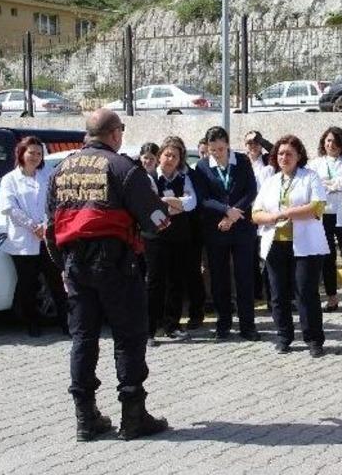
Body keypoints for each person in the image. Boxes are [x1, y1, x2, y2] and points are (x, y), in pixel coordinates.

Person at [46, 108, 170, 441]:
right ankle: (133, 417)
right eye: (122, 130)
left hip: (75, 266)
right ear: (114, 133)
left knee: (83, 339)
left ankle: (86, 420)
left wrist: (63, 267)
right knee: (128, 336)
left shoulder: (61, 170)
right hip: (116, 265)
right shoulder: (122, 167)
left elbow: (50, 226)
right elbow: (157, 219)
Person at [253, 135, 329, 357]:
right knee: (277, 294)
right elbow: (255, 213)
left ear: (298, 156)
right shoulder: (271, 181)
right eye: (280, 154)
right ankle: (284, 336)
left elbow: (317, 207)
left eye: (289, 154)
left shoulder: (310, 177)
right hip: (275, 243)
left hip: (305, 245)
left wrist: (286, 213)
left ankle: (314, 339)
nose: (284, 157)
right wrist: (270, 218)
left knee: (306, 293)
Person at [194, 126, 260, 341]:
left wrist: (233, 214)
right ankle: (224, 324)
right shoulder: (202, 167)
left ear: (228, 144)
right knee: (219, 278)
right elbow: (203, 198)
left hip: (241, 227)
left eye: (221, 149)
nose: (217, 153)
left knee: (244, 277)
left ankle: (247, 325)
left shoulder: (242, 161)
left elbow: (251, 191)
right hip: (216, 229)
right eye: (213, 150)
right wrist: (225, 211)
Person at [0, 136, 69, 338]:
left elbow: (56, 202)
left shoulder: (48, 175)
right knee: (27, 283)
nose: (35, 157)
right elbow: (9, 207)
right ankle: (32, 323)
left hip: (47, 237)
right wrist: (32, 226)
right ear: (21, 153)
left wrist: (45, 226)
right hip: (23, 240)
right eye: (32, 152)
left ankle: (66, 323)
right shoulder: (10, 179)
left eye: (39, 153)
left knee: (55, 281)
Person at [144, 136, 197, 346]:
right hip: (155, 237)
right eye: (167, 154)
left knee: (176, 281)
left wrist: (168, 202)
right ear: (160, 156)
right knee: (155, 282)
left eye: (175, 156)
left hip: (179, 236)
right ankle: (149, 329)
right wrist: (176, 205)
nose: (170, 159)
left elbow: (191, 202)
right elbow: (152, 204)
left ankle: (172, 325)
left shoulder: (184, 178)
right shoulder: (148, 178)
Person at [308, 127, 342, 309]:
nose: (331, 145)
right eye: (328, 141)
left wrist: (331, 184)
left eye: (335, 141)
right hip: (324, 215)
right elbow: (316, 183)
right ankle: (332, 296)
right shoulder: (315, 163)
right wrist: (334, 184)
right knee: (327, 257)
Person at [245, 130, 274, 304]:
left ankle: (271, 297)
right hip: (248, 213)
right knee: (251, 257)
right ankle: (256, 293)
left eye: (256, 143)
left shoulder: (267, 161)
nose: (253, 146)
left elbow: (276, 149)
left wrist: (261, 140)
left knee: (267, 256)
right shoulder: (241, 161)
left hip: (266, 213)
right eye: (249, 143)